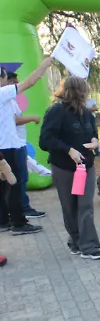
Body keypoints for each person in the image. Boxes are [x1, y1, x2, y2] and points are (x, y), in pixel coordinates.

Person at [39, 76, 100, 259]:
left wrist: (94, 141)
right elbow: (45, 140)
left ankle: (89, 246)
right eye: (82, 91)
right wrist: (68, 150)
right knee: (70, 207)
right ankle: (75, 240)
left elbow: (93, 132)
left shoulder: (86, 113)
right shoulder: (56, 111)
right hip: (64, 168)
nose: (85, 94)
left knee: (85, 206)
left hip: (86, 167)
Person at [0, 58, 51, 236]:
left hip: (3, 148)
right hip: (8, 147)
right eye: (5, 77)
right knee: (14, 185)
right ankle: (18, 223)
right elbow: (29, 82)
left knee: (3, 186)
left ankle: (3, 221)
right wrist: (43, 65)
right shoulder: (3, 93)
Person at [9, 75, 46, 219]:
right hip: (15, 145)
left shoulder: (11, 100)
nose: (18, 83)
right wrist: (32, 118)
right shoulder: (7, 99)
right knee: (20, 177)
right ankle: (23, 209)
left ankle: (22, 208)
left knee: (21, 177)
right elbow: (15, 120)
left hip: (18, 143)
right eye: (14, 81)